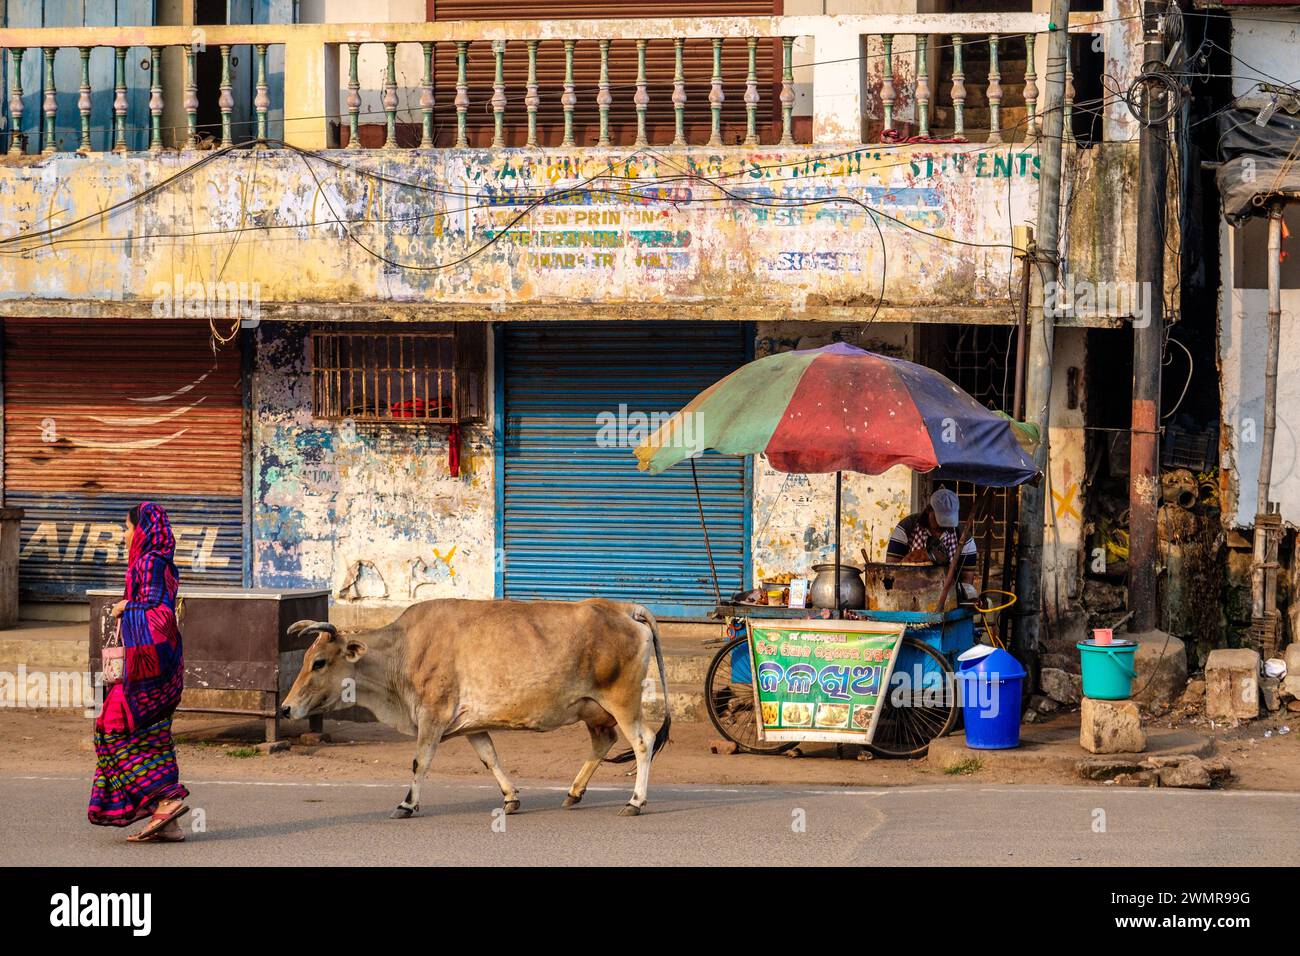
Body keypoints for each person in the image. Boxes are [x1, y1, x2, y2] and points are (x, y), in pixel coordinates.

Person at [88, 502, 191, 843]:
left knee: (112, 728)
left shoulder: (147, 562)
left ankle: (166, 798)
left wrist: (124, 606)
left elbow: (156, 610)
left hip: (147, 665)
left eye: (129, 527)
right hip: (163, 663)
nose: (126, 533)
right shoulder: (162, 562)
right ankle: (169, 821)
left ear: (143, 529)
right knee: (154, 734)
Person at [885, 488, 977, 590]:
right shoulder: (906, 527)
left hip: (948, 596)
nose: (943, 526)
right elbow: (890, 571)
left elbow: (967, 581)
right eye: (940, 520)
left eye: (948, 521)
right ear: (928, 510)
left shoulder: (964, 537)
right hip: (909, 592)